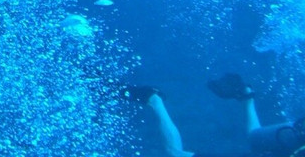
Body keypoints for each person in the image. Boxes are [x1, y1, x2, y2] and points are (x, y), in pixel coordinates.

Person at [129, 74, 305, 157]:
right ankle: (154, 100)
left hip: (293, 139)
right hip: (294, 139)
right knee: (175, 154)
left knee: (255, 138)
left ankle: (247, 97)